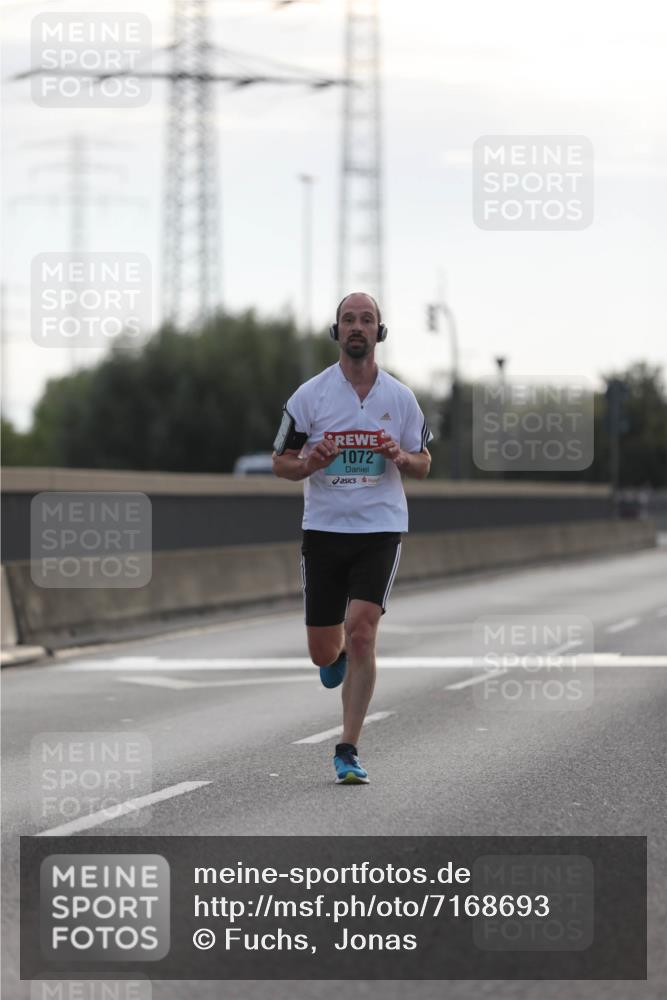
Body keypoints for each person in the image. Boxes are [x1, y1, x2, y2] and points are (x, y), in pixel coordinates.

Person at [272, 292, 432, 784]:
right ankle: (333, 654)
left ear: (379, 332)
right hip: (323, 531)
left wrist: (401, 459)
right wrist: (309, 464)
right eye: (348, 320)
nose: (357, 327)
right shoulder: (310, 397)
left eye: (366, 320)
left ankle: (348, 748)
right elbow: (281, 462)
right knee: (325, 651)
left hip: (379, 528)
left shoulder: (400, 399)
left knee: (362, 630)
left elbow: (424, 462)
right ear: (336, 331)